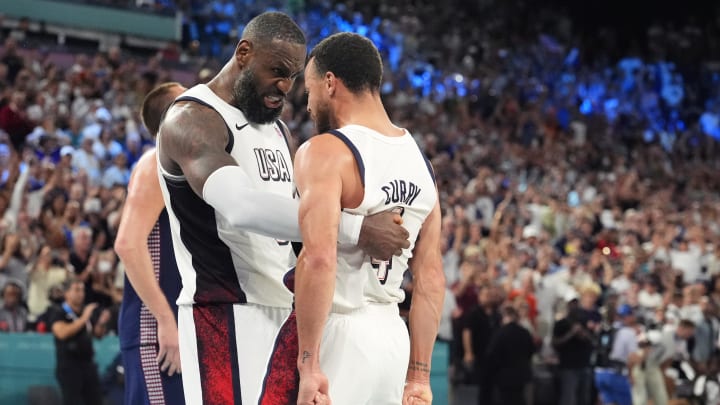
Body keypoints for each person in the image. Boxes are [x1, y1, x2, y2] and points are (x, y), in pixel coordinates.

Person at [157, 13, 408, 404]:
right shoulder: (192, 118)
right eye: (277, 71)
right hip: (224, 313)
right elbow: (241, 207)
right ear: (244, 53)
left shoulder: (277, 129)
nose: (285, 88)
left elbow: (298, 228)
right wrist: (356, 229)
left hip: (286, 309)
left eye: (293, 77)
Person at [258, 32, 445, 405]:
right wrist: (419, 376)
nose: (308, 105)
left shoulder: (325, 151)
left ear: (330, 83)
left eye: (309, 90)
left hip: (339, 333)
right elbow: (430, 277)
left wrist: (309, 365)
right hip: (392, 337)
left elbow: (319, 258)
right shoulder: (421, 164)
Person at [115, 81, 187, 405]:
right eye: (190, 101)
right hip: (154, 328)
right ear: (174, 115)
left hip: (176, 322)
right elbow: (127, 245)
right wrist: (165, 319)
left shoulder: (185, 167)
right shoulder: (156, 161)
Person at [48, 277, 111, 405]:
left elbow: (98, 335)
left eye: (82, 290)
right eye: (76, 290)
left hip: (88, 364)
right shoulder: (58, 311)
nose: (81, 294)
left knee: (96, 401)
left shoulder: (85, 311)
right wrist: (84, 318)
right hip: (69, 366)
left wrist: (102, 322)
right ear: (66, 293)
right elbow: (62, 333)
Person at [484, 305, 536, 405]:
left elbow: (491, 354)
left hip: (504, 375)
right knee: (519, 399)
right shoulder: (524, 332)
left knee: (506, 400)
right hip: (522, 374)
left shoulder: (500, 333)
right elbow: (531, 350)